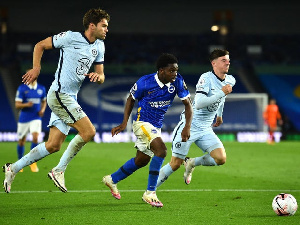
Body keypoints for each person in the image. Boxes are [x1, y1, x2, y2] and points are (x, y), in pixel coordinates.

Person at [3, 8, 110, 193]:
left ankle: (13, 168)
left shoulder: (99, 46)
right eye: (104, 25)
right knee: (89, 132)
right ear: (92, 26)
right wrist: (36, 68)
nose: (107, 29)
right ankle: (59, 170)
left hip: (70, 97)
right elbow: (40, 45)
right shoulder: (69, 37)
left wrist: (97, 77)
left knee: (53, 145)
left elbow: (101, 76)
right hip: (60, 94)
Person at [102, 53, 192, 208]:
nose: (175, 74)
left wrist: (187, 127)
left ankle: (111, 179)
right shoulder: (145, 82)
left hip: (156, 126)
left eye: (176, 70)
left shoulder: (177, 81)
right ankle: (150, 193)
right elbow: (130, 99)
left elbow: (188, 105)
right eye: (171, 71)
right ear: (161, 70)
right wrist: (124, 123)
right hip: (142, 123)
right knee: (161, 151)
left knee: (141, 160)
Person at [156, 49, 235, 188]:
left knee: (220, 158)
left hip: (205, 128)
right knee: (175, 164)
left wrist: (219, 114)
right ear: (214, 63)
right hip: (190, 126)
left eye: (228, 60)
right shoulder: (206, 79)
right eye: (224, 60)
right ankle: (150, 190)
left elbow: (222, 98)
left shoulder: (230, 79)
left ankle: (192, 162)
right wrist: (222, 92)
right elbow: (198, 103)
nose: (228, 62)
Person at [15, 79, 47, 172]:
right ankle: (20, 163)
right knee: (21, 141)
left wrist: (42, 110)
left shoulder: (41, 88)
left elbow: (44, 101)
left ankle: (32, 162)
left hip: (36, 117)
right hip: (24, 118)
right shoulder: (22, 88)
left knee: (35, 138)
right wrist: (26, 104)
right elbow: (17, 105)